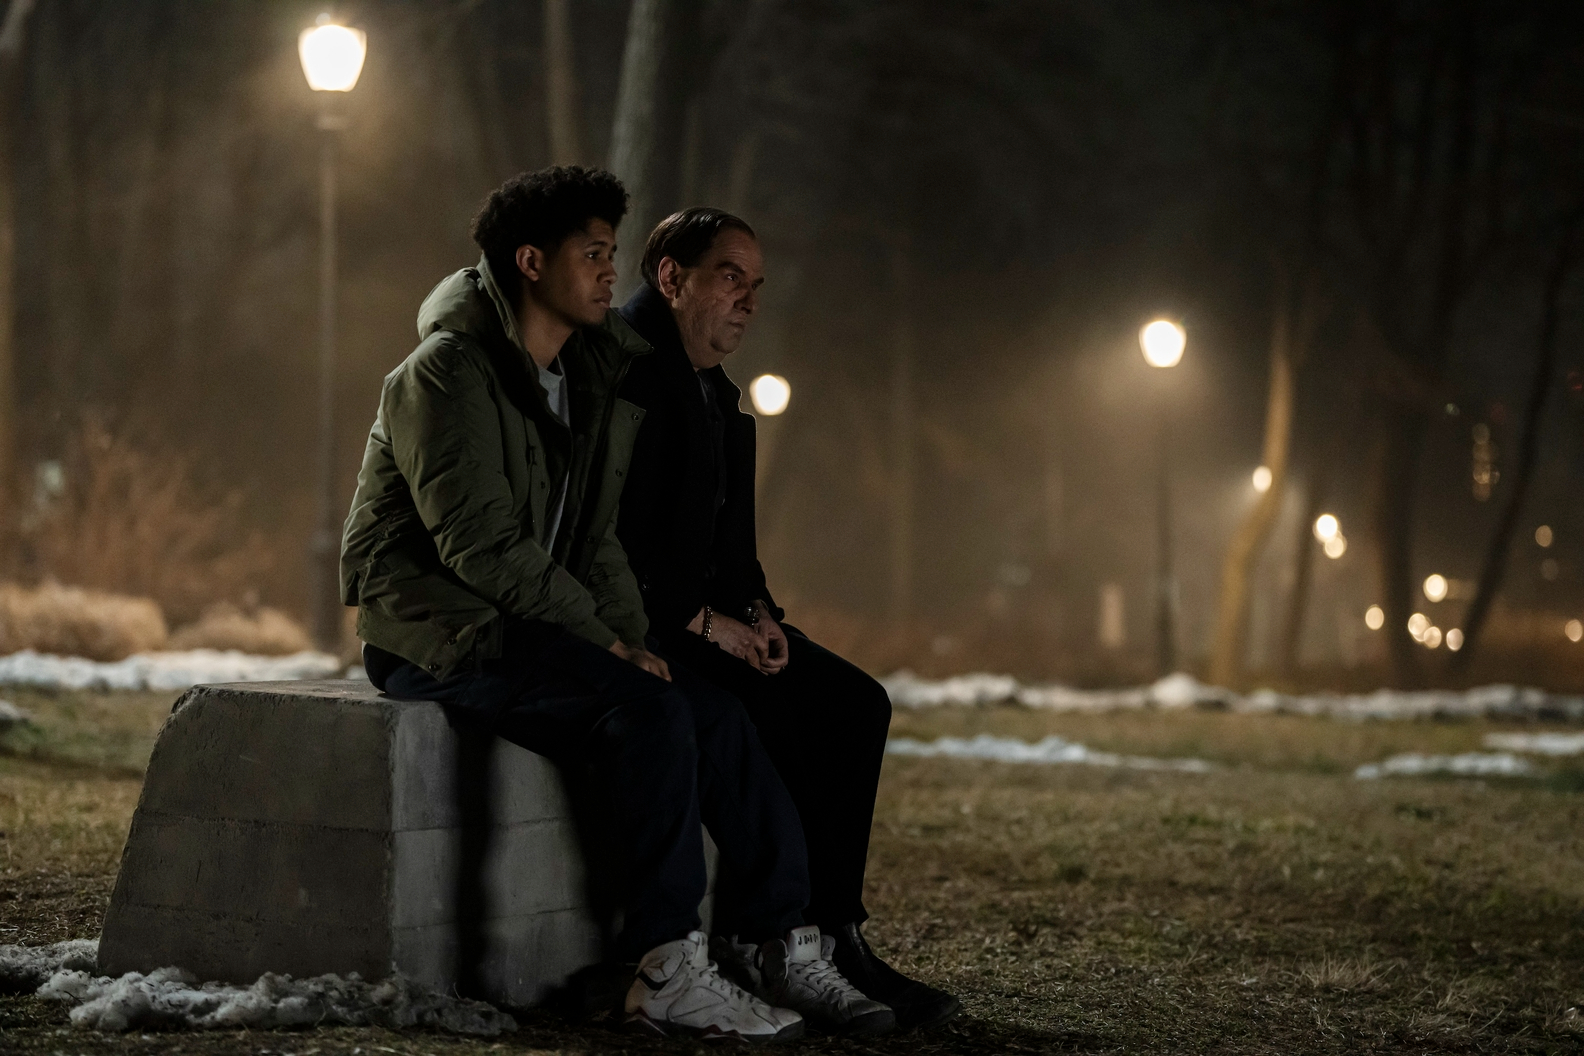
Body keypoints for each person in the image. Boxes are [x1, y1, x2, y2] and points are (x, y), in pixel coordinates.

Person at [340, 168, 891, 1040]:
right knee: (651, 712)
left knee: (708, 711)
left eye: (610, 254)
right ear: (530, 262)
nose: (610, 273)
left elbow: (594, 542)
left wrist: (636, 637)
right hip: (441, 634)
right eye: (592, 254)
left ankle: (784, 938)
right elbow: (480, 547)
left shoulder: (580, 379)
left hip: (530, 621)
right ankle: (666, 967)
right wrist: (608, 644)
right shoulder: (447, 373)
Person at [615, 207, 962, 1031]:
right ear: (671, 277)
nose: (749, 300)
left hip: (709, 618)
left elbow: (733, 551)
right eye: (730, 276)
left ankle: (836, 932)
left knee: (853, 701)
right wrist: (710, 627)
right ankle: (771, 939)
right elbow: (616, 548)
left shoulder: (715, 395)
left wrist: (762, 615)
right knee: (762, 711)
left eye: (756, 285)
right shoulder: (629, 379)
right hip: (647, 626)